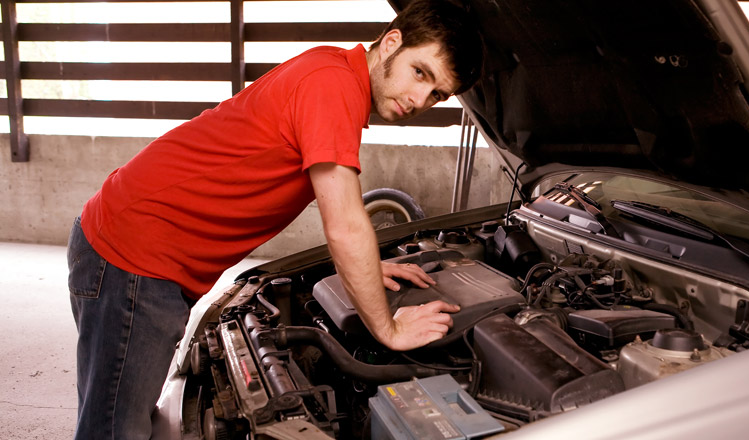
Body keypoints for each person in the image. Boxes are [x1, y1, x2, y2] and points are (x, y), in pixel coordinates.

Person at [65, 0, 484, 438]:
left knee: (113, 414)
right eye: (420, 72)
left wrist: (365, 269)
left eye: (438, 94)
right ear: (392, 43)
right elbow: (343, 222)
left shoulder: (332, 69)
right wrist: (389, 328)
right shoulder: (334, 87)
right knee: (113, 431)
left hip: (133, 248)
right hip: (134, 259)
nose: (421, 100)